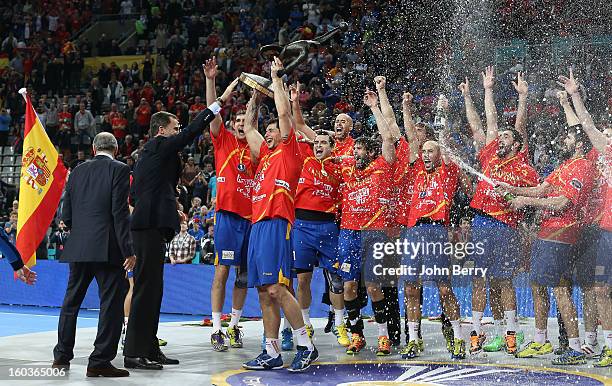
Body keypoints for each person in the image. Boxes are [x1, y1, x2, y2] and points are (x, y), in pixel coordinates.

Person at [123, 74, 239, 370]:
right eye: (174, 128)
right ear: (162, 130)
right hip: (147, 226)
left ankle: (149, 347)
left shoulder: (154, 155)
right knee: (147, 288)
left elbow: (138, 191)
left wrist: (171, 204)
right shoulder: (158, 145)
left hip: (152, 224)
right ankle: (134, 352)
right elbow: (191, 132)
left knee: (154, 289)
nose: (178, 133)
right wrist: (219, 102)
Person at [241, 58, 317, 372]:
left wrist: (275, 79)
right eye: (268, 131)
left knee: (277, 289)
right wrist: (255, 98)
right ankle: (271, 351)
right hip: (257, 226)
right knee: (263, 291)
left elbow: (284, 113)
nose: (269, 133)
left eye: (273, 130)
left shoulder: (290, 152)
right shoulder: (265, 158)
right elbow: (247, 127)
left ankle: (306, 344)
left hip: (276, 224)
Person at [502, 119, 596, 365]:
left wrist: (525, 202)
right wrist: (512, 188)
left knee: (559, 288)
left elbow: (562, 203)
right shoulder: (565, 165)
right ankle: (543, 340)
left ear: (578, 144)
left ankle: (572, 346)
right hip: (549, 232)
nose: (561, 141)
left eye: (566, 138)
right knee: (538, 284)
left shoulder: (582, 167)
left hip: (561, 233)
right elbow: (542, 190)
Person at [461, 68, 538, 355]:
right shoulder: (490, 155)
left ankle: (510, 334)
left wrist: (523, 98)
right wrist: (485, 91)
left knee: (504, 280)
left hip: (506, 226)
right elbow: (485, 123)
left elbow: (520, 125)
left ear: (517, 144)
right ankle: (478, 332)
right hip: (481, 222)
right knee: (480, 278)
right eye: (501, 137)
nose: (501, 139)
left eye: (507, 137)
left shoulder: (523, 165)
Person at [52, 132, 136, 378]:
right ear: (116, 149)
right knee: (110, 305)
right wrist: (128, 250)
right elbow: (119, 213)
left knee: (71, 303)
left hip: (78, 247)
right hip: (107, 249)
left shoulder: (77, 170)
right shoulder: (120, 169)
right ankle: (99, 361)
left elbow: (65, 214)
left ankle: (61, 356)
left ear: (93, 149)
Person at [338, 87, 396, 357]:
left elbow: (387, 137)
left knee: (373, 285)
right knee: (349, 286)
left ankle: (383, 337)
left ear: (370, 151)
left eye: (360, 148)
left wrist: (374, 106)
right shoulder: (347, 170)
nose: (356, 152)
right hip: (348, 233)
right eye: (355, 148)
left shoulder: (382, 167)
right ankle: (356, 335)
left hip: (374, 234)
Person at [205, 57, 254, 352]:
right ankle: (217, 328)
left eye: (242, 123)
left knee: (244, 276)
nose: (238, 126)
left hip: (252, 219)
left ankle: (235, 326)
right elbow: (212, 113)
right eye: (235, 122)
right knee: (222, 271)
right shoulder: (222, 140)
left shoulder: (258, 146)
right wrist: (212, 81)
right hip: (227, 217)